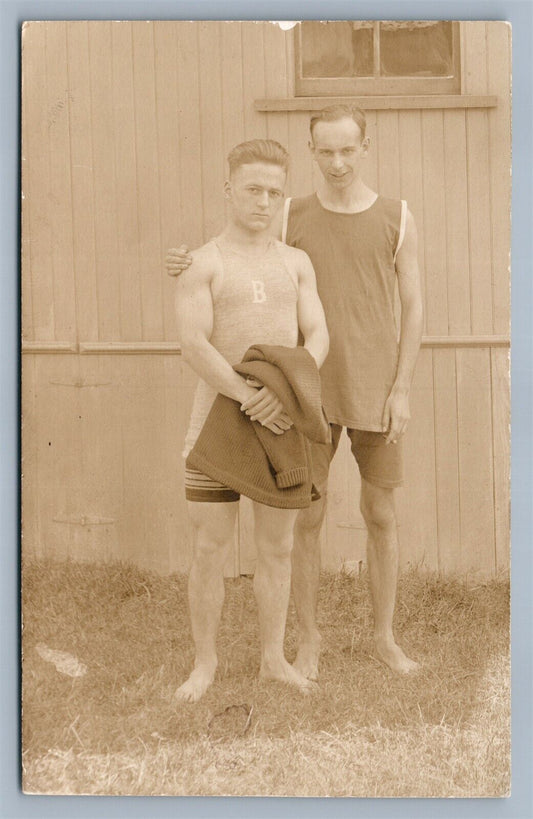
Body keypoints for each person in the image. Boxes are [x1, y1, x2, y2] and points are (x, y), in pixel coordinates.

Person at [167, 105, 423, 678]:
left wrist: (397, 385)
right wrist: (181, 262)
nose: (336, 162)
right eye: (325, 151)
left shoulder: (371, 227)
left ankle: (342, 646)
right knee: (260, 531)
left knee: (347, 522)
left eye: (347, 149)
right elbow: (208, 314)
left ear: (364, 147)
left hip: (336, 401)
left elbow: (377, 316)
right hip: (263, 408)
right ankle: (256, 653)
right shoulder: (255, 235)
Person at [174, 138, 329, 702]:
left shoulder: (296, 262)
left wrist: (283, 397)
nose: (263, 202)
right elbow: (193, 344)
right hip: (217, 421)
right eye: (252, 190)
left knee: (278, 547)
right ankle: (205, 664)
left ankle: (272, 659)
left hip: (280, 425)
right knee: (210, 547)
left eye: (274, 192)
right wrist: (246, 395)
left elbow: (317, 335)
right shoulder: (203, 262)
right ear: (229, 190)